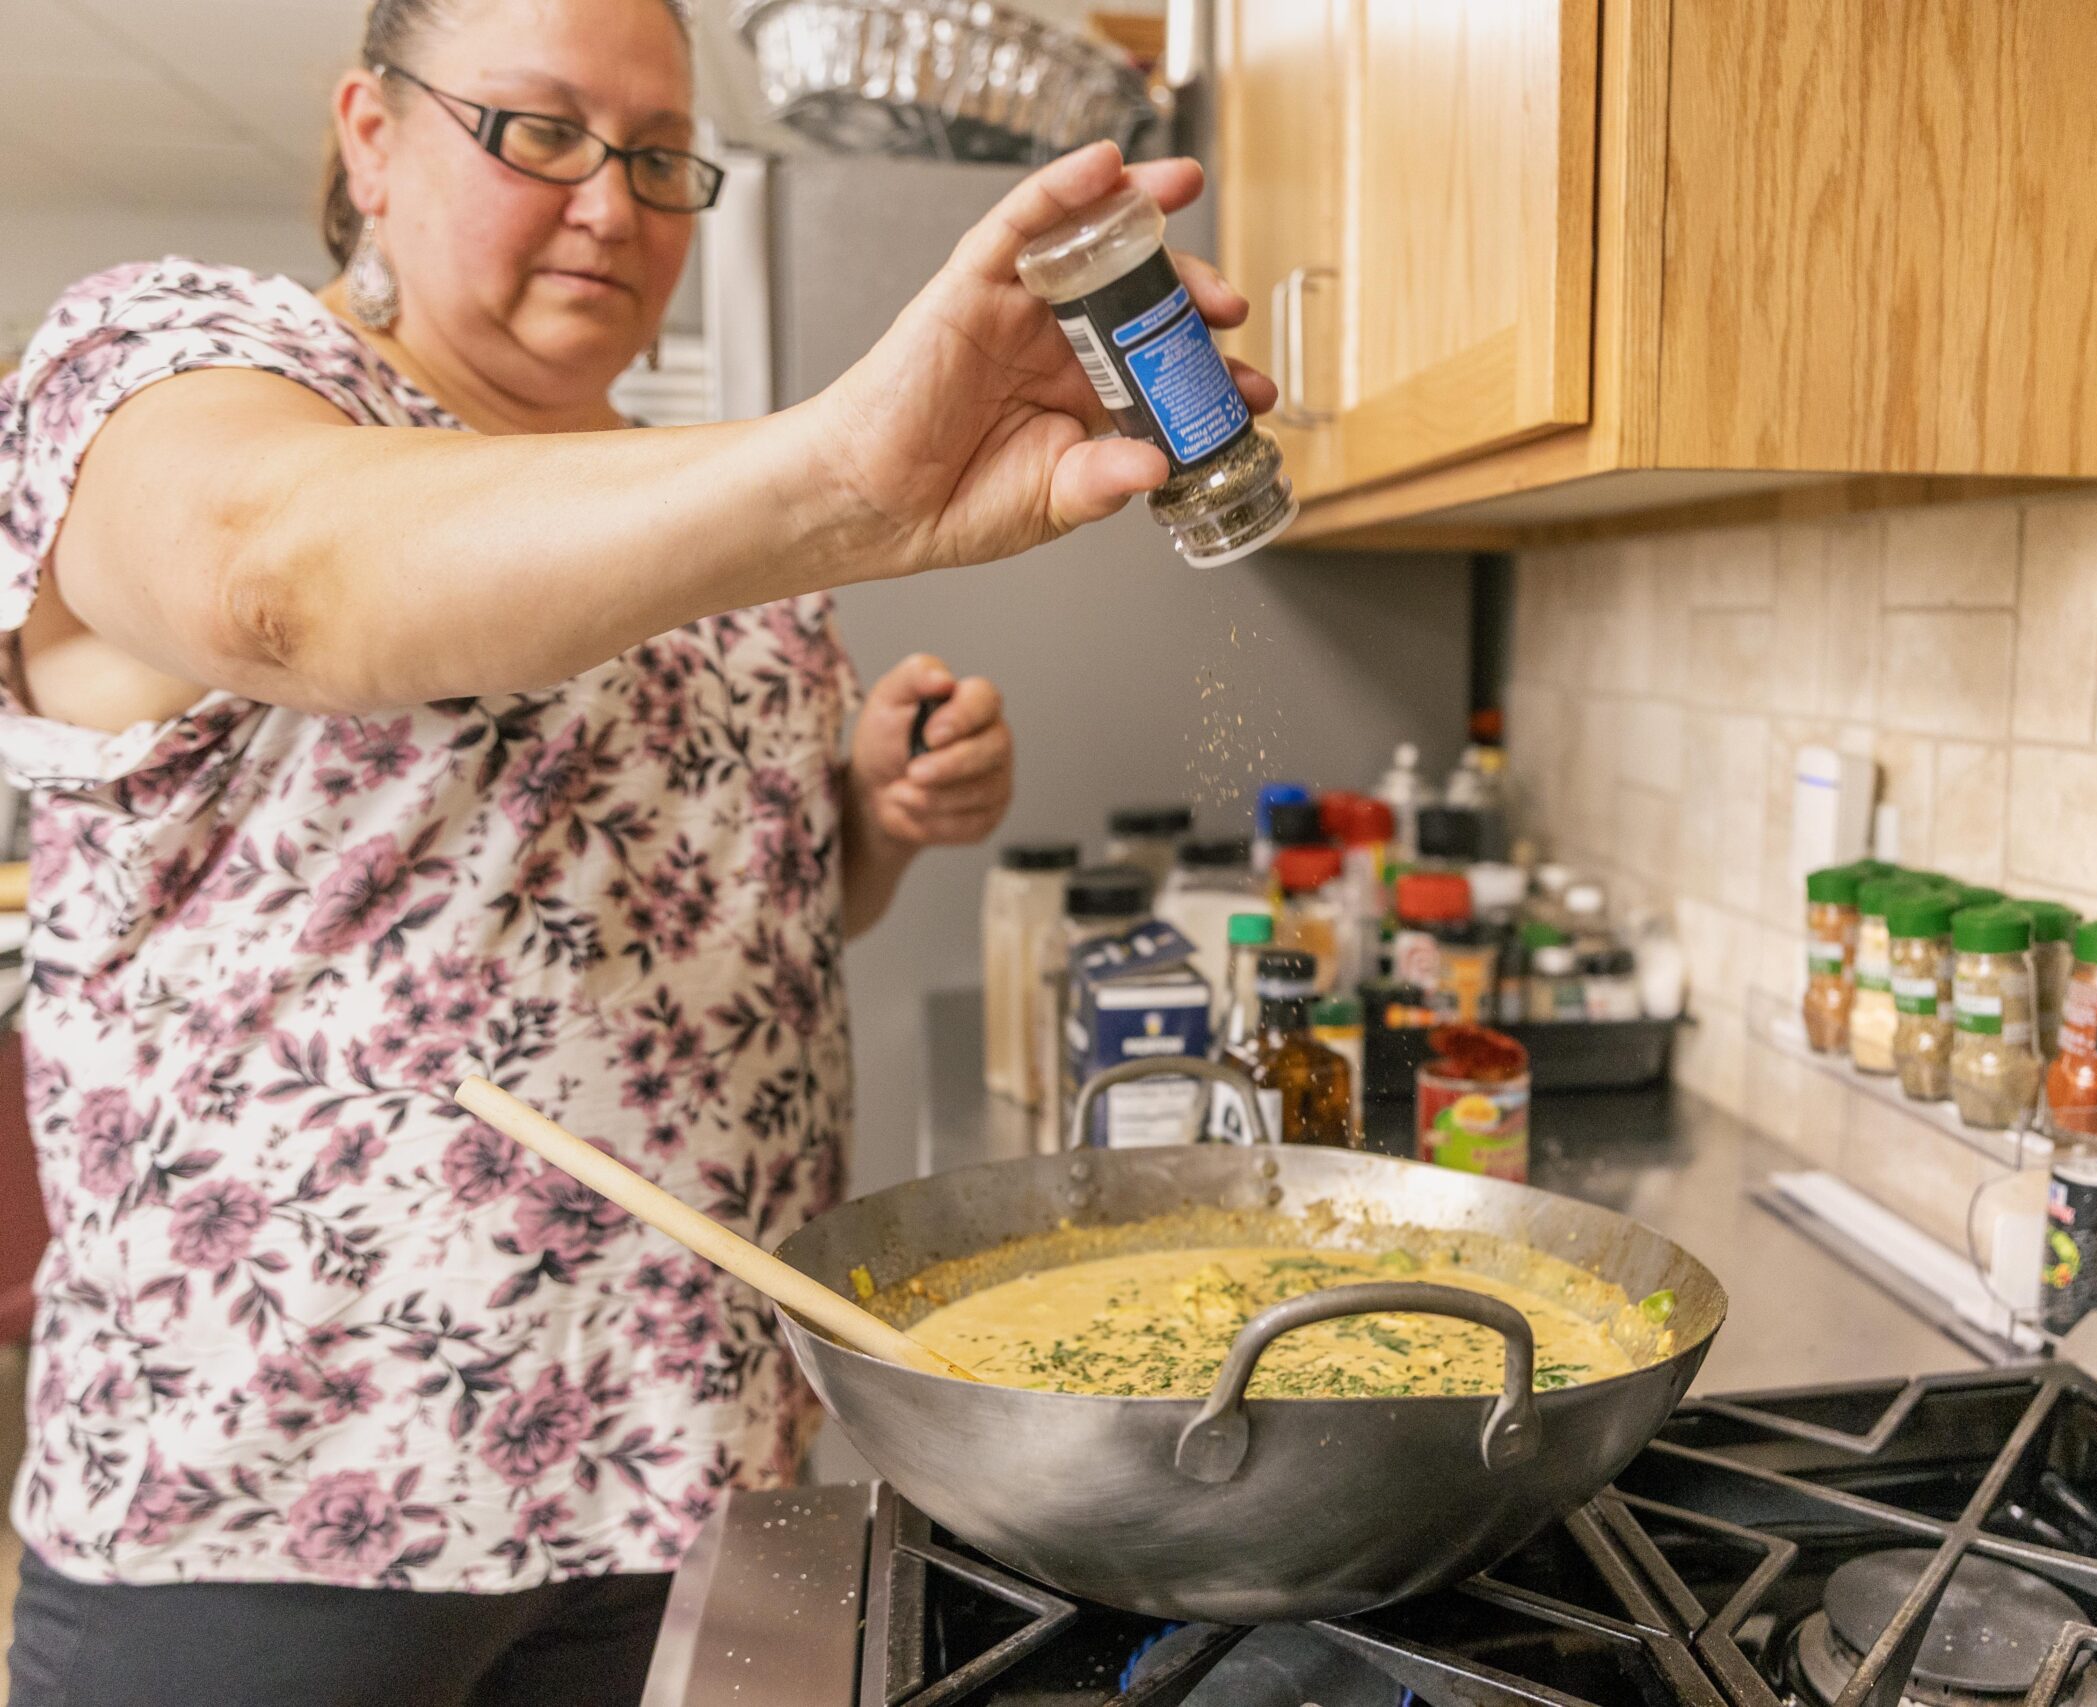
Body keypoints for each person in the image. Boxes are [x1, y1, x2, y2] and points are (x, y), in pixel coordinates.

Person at [0, 0, 1272, 1699]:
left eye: (663, 156)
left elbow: (754, 924)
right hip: (288, 1511)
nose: (613, 205)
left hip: (701, 1467)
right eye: (536, 132)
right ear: (368, 137)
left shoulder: (690, 498)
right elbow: (270, 577)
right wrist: (835, 471)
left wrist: (870, 820)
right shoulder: (173, 363)